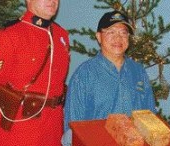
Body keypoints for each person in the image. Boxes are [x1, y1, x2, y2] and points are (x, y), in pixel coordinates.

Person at [0, 0, 70, 145]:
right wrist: (3, 123)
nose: (52, 1)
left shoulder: (61, 35)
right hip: (19, 130)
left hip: (53, 130)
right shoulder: (8, 36)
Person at [62, 10, 157, 145]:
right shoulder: (84, 75)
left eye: (123, 32)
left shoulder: (138, 71)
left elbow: (150, 117)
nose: (118, 38)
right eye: (111, 32)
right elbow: (73, 128)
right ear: (99, 37)